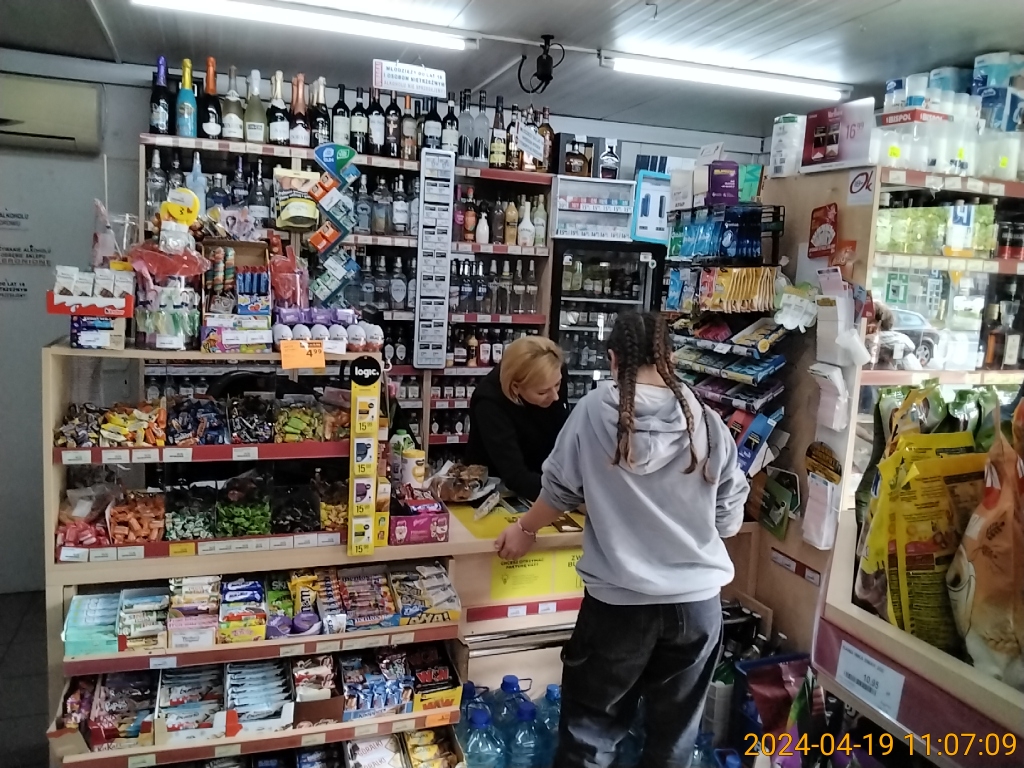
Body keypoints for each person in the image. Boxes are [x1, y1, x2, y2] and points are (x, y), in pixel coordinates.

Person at [495, 312, 748, 768]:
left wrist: (524, 529)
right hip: (697, 608)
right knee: (673, 743)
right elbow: (728, 519)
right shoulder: (707, 420)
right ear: (670, 357)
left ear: (613, 359)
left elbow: (559, 490)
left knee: (591, 739)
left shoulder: (595, 411)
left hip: (619, 609)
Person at [465, 335, 569, 501]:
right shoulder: (489, 402)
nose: (555, 396)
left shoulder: (553, 372)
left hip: (545, 480)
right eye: (542, 392)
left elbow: (563, 433)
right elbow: (515, 476)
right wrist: (568, 495)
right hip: (497, 490)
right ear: (515, 387)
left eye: (557, 384)